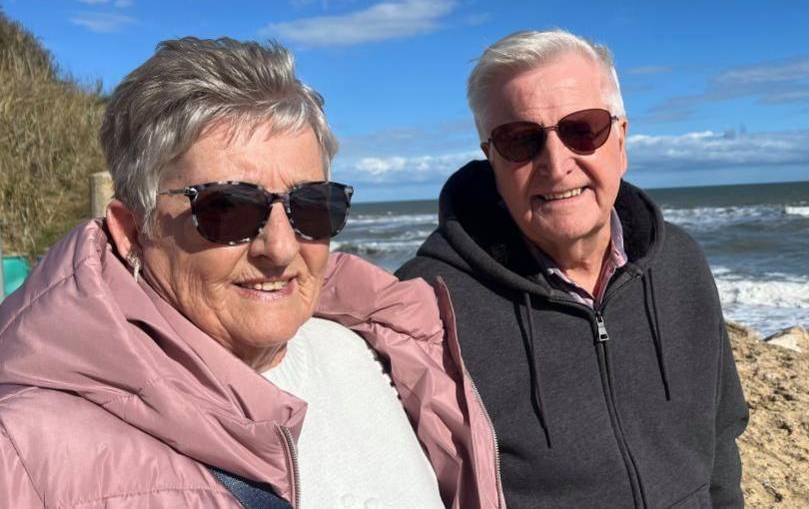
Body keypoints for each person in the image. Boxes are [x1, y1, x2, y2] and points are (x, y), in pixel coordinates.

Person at [0, 38, 501, 508]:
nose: (281, 249)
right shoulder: (23, 452)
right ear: (133, 229)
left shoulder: (379, 349)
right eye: (229, 209)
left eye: (312, 207)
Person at [397, 29, 749, 508]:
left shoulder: (681, 262)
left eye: (582, 129)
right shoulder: (428, 303)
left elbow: (720, 438)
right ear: (491, 159)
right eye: (521, 141)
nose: (556, 164)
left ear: (621, 140)